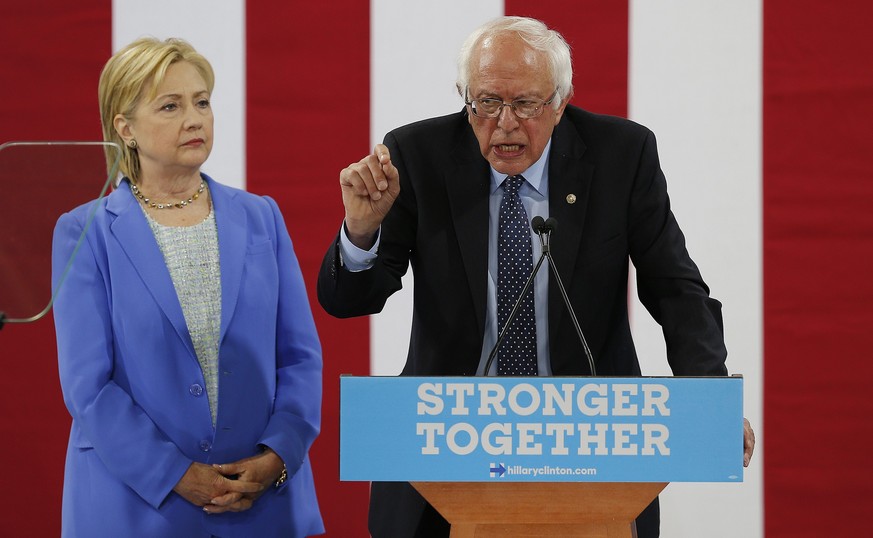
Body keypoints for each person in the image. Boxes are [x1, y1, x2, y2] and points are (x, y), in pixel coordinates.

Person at [317, 16, 755, 538]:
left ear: (561, 101)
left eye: (525, 104)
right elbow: (350, 301)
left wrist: (707, 398)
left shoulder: (621, 154)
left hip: (588, 448)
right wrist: (362, 232)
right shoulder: (418, 155)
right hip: (448, 446)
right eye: (485, 103)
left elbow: (675, 285)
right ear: (464, 96)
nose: (504, 124)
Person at [51, 37, 324, 537]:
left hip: (262, 505)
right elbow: (88, 385)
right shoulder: (85, 231)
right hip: (137, 508)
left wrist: (278, 454)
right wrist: (174, 474)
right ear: (125, 128)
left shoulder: (261, 216)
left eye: (202, 102)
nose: (195, 118)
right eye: (171, 106)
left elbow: (299, 357)